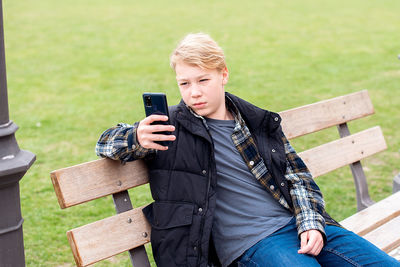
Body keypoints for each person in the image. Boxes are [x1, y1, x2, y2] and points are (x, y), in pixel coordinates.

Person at [95, 33, 399, 267]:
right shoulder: (169, 126)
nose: (194, 92)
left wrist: (311, 224)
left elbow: (299, 178)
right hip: (252, 243)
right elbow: (105, 142)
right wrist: (135, 136)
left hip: (295, 223)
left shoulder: (255, 122)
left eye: (203, 79)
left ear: (223, 74)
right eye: (184, 83)